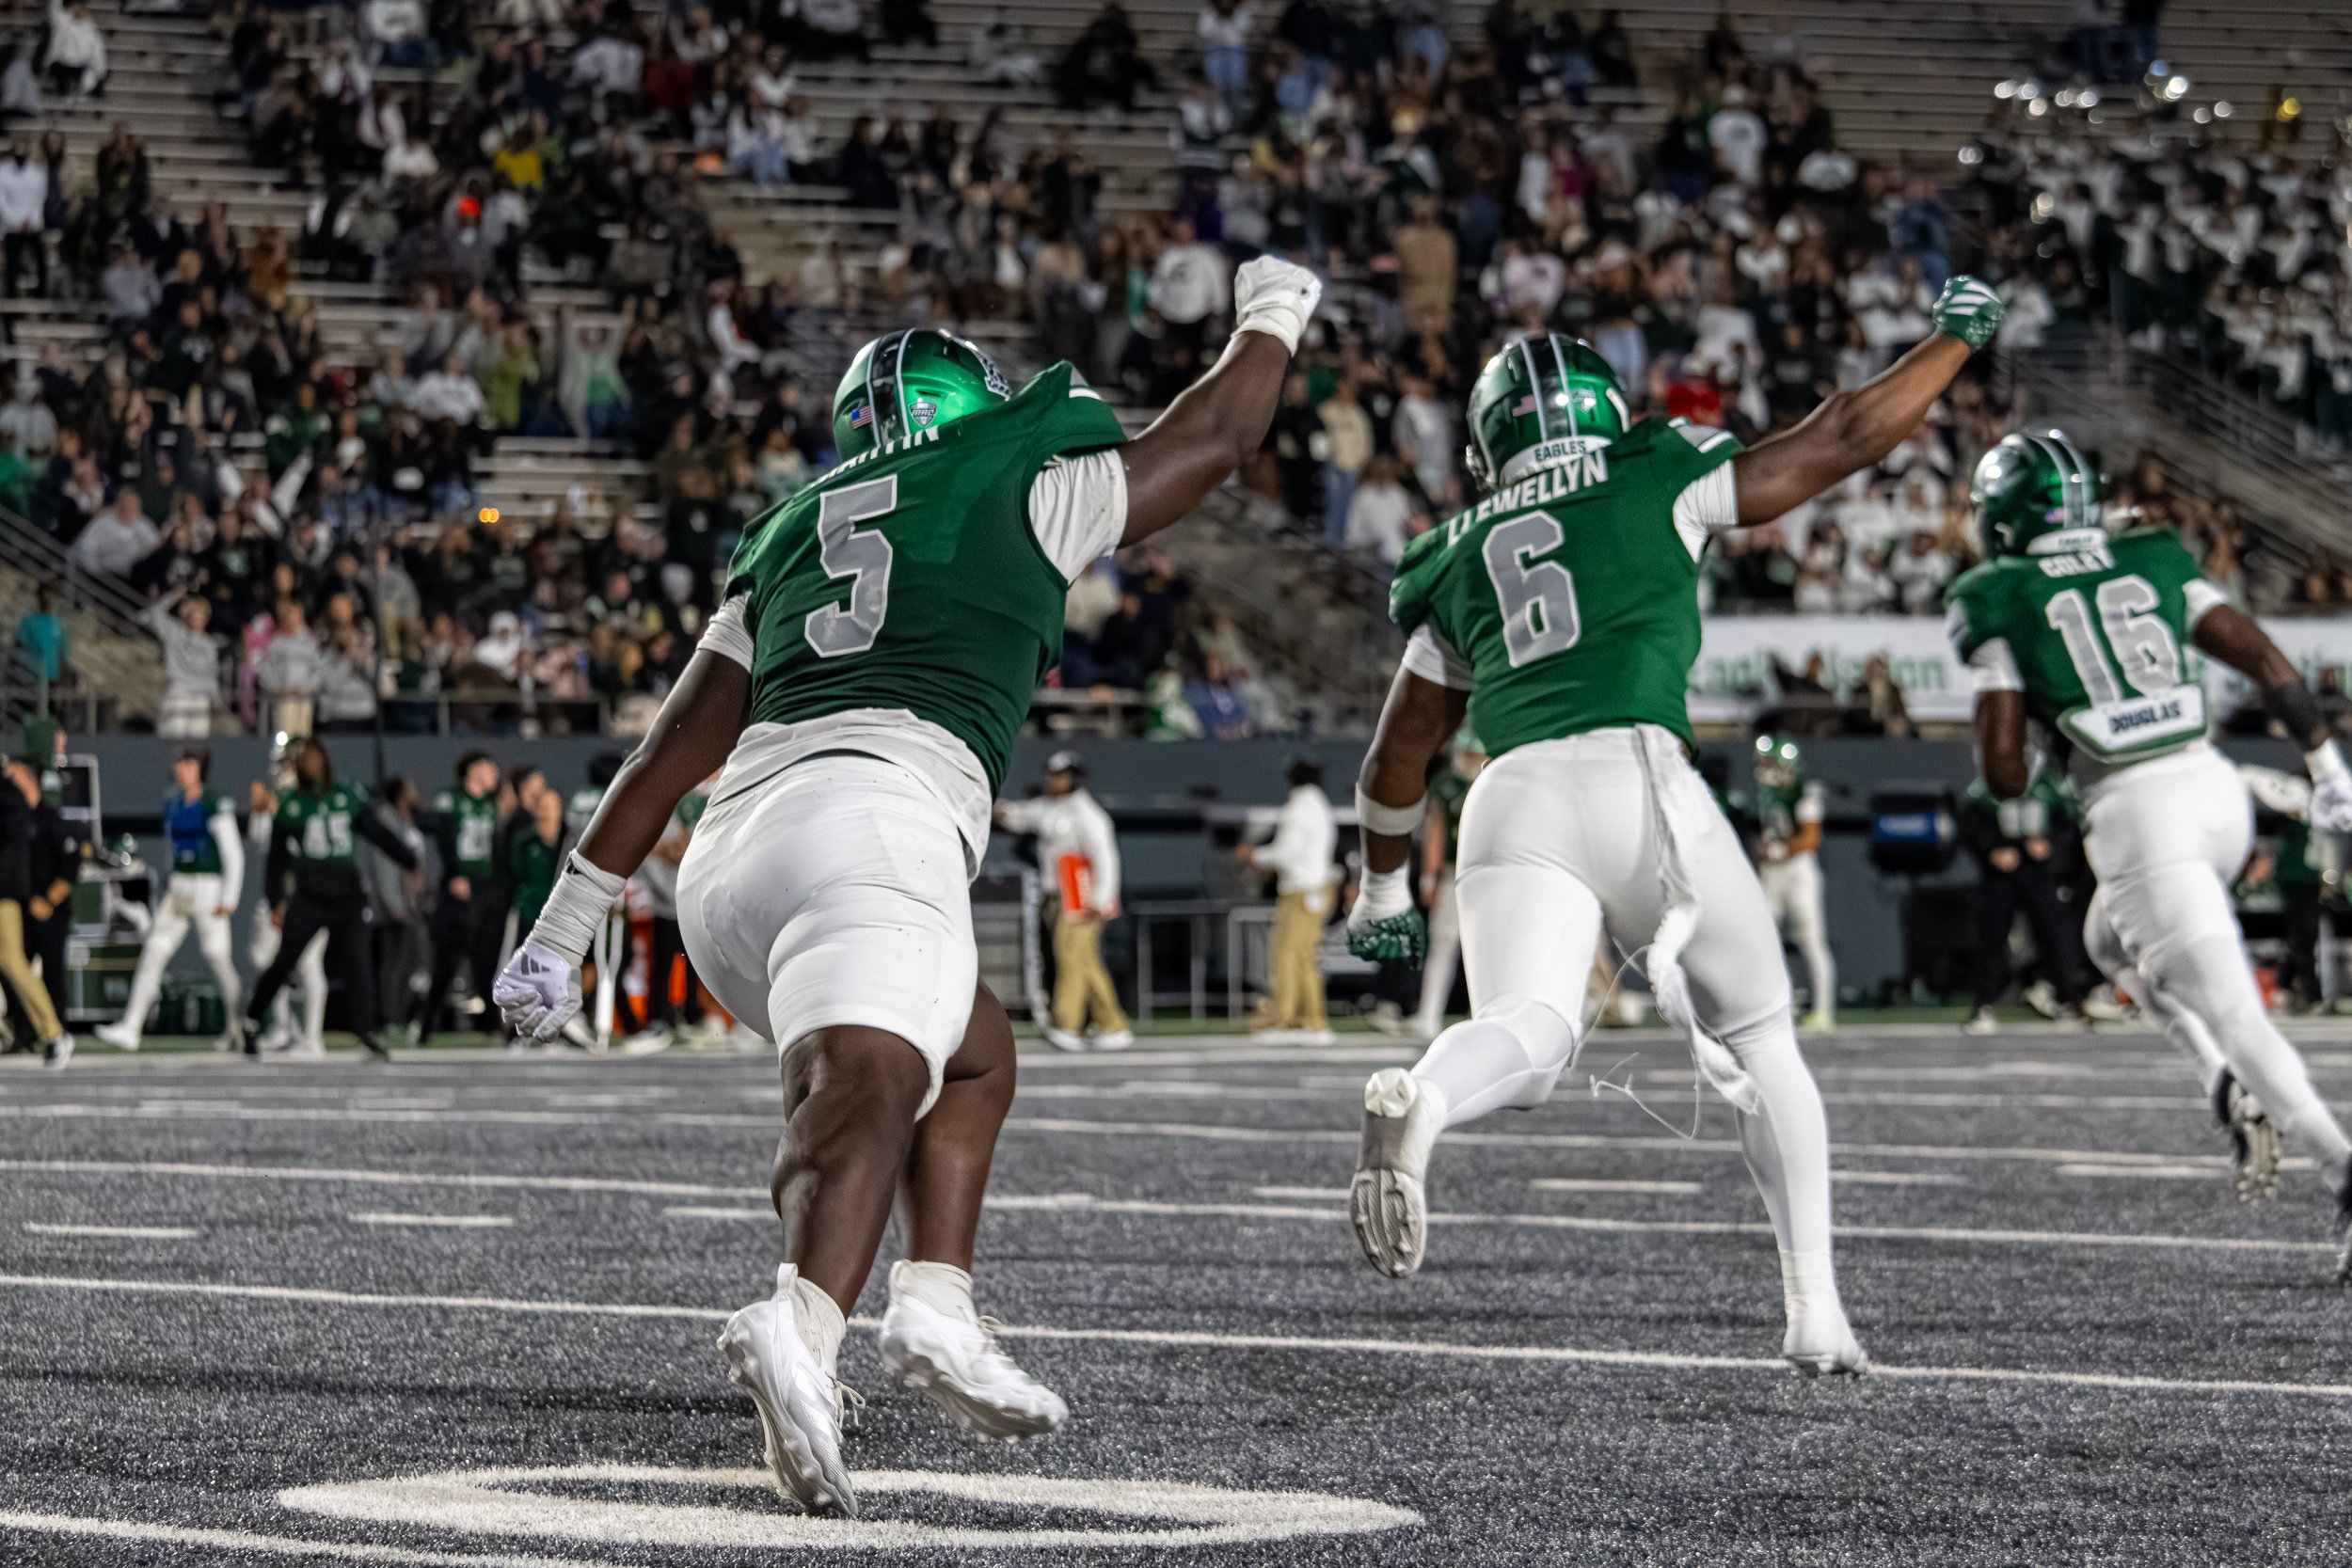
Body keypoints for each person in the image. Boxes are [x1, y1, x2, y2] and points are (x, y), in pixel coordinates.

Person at [493, 259, 1323, 1517]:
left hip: (732, 863)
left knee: (972, 1052)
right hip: (873, 812)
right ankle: (803, 1324)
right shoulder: (1019, 482)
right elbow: (1218, 434)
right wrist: (1272, 310)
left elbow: (667, 751)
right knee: (876, 1074)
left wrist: (562, 930)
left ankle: (934, 1301)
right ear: (971, 405)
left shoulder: (792, 528)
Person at [1342, 277, 2008, 1375]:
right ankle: (1814, 1309)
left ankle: (1429, 1095)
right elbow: (1846, 434)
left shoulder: (1452, 549)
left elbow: (1392, 760)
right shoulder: (1656, 467)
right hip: (1635, 768)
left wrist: (1378, 891)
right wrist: (1952, 341)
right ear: (1606, 410)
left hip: (1510, 790)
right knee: (1760, 1034)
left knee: (1528, 1028)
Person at [1950, 429, 2352, 1234]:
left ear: (2005, 516)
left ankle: (2342, 1170)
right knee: (2105, 941)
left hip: (2138, 817)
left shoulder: (1996, 590)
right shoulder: (2154, 552)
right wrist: (2328, 766)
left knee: (2238, 1018)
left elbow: (2004, 774)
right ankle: (2223, 1081)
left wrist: (2025, 707)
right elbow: (2264, 656)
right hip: (2215, 790)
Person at [238, 737, 419, 1061]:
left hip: (347, 893)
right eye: (305, 760)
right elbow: (276, 860)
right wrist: (275, 900)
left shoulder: (346, 795)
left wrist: (407, 858)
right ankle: (252, 1020)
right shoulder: (291, 804)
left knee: (358, 963)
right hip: (310, 893)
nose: (312, 765)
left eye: (315, 758)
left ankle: (365, 1031)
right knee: (284, 961)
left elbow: (375, 832)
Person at [96, 749, 244, 1053]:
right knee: (154, 951)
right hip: (180, 886)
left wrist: (229, 896)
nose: (182, 770)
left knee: (218, 958)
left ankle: (240, 1028)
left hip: (208, 887)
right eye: (180, 764)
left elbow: (233, 852)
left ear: (200, 768)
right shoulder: (174, 803)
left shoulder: (213, 802)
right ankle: (132, 1027)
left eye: (189, 764)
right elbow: (172, 850)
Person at [995, 751, 1130, 1052]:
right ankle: (1112, 1024)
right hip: (1057, 896)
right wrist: (999, 810)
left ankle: (1067, 1024)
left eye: (1061, 775)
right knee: (1085, 961)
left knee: (1069, 957)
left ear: (1075, 778)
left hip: (1080, 897)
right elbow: (1020, 816)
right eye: (1052, 774)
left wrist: (1101, 899)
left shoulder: (1088, 815)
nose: (1053, 780)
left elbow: (1106, 858)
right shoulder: (1049, 807)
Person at [1958, 767, 2095, 1035]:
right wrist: (1991, 849)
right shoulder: (1986, 789)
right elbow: (1969, 827)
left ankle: (2066, 1000)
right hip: (2000, 875)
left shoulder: (2049, 786)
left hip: (2039, 872)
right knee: (1992, 938)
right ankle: (1984, 1005)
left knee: (2055, 934)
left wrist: (2051, 846)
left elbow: (2068, 826)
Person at [1238, 755, 1336, 1044]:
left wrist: (1255, 856)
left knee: (1285, 956)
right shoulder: (1319, 806)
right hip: (1315, 887)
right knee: (1303, 958)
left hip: (1300, 890)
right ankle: (1311, 1020)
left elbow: (1287, 852)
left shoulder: (1300, 809)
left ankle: (1286, 1020)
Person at [1752, 735, 1836, 1029]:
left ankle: (1823, 1011)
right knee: (1761, 939)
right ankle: (1768, 1008)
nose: (1767, 770)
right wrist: (1766, 851)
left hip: (1798, 871)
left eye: (1772, 764)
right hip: (1773, 872)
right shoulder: (1767, 794)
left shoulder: (1804, 793)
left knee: (1811, 941)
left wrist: (1780, 851)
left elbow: (1810, 839)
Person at [425, 752, 503, 1042]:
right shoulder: (452, 800)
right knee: (449, 958)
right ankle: (427, 1021)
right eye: (489, 767)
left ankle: (491, 1024)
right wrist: (456, 873)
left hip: (483, 887)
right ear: (473, 770)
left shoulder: (490, 805)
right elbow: (445, 838)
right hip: (459, 886)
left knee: (485, 958)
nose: (495, 773)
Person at [4, 756, 76, 1066]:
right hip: (21, 901)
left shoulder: (32, 812)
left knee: (31, 967)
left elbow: (70, 868)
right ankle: (30, 1032)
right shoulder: (17, 808)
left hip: (40, 906)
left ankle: (55, 1031)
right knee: (11, 965)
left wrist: (47, 899)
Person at [1413, 727, 1483, 1039]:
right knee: (1443, 943)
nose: (1472, 759)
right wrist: (1429, 877)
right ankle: (1429, 1014)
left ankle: (1487, 1014)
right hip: (1455, 873)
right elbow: (1435, 832)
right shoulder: (1446, 785)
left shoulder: (1494, 779)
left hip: (1490, 874)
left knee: (1487, 949)